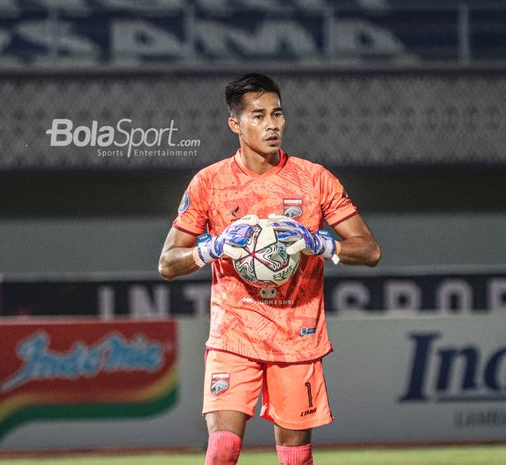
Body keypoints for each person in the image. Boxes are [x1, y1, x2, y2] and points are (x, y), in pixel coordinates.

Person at [158, 73, 381, 465]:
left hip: (298, 337)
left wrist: (322, 244)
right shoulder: (210, 183)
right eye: (258, 116)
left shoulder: (314, 179)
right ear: (235, 124)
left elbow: (370, 249)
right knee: (222, 449)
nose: (272, 124)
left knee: (295, 459)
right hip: (234, 335)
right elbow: (168, 262)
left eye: (277, 114)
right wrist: (214, 247)